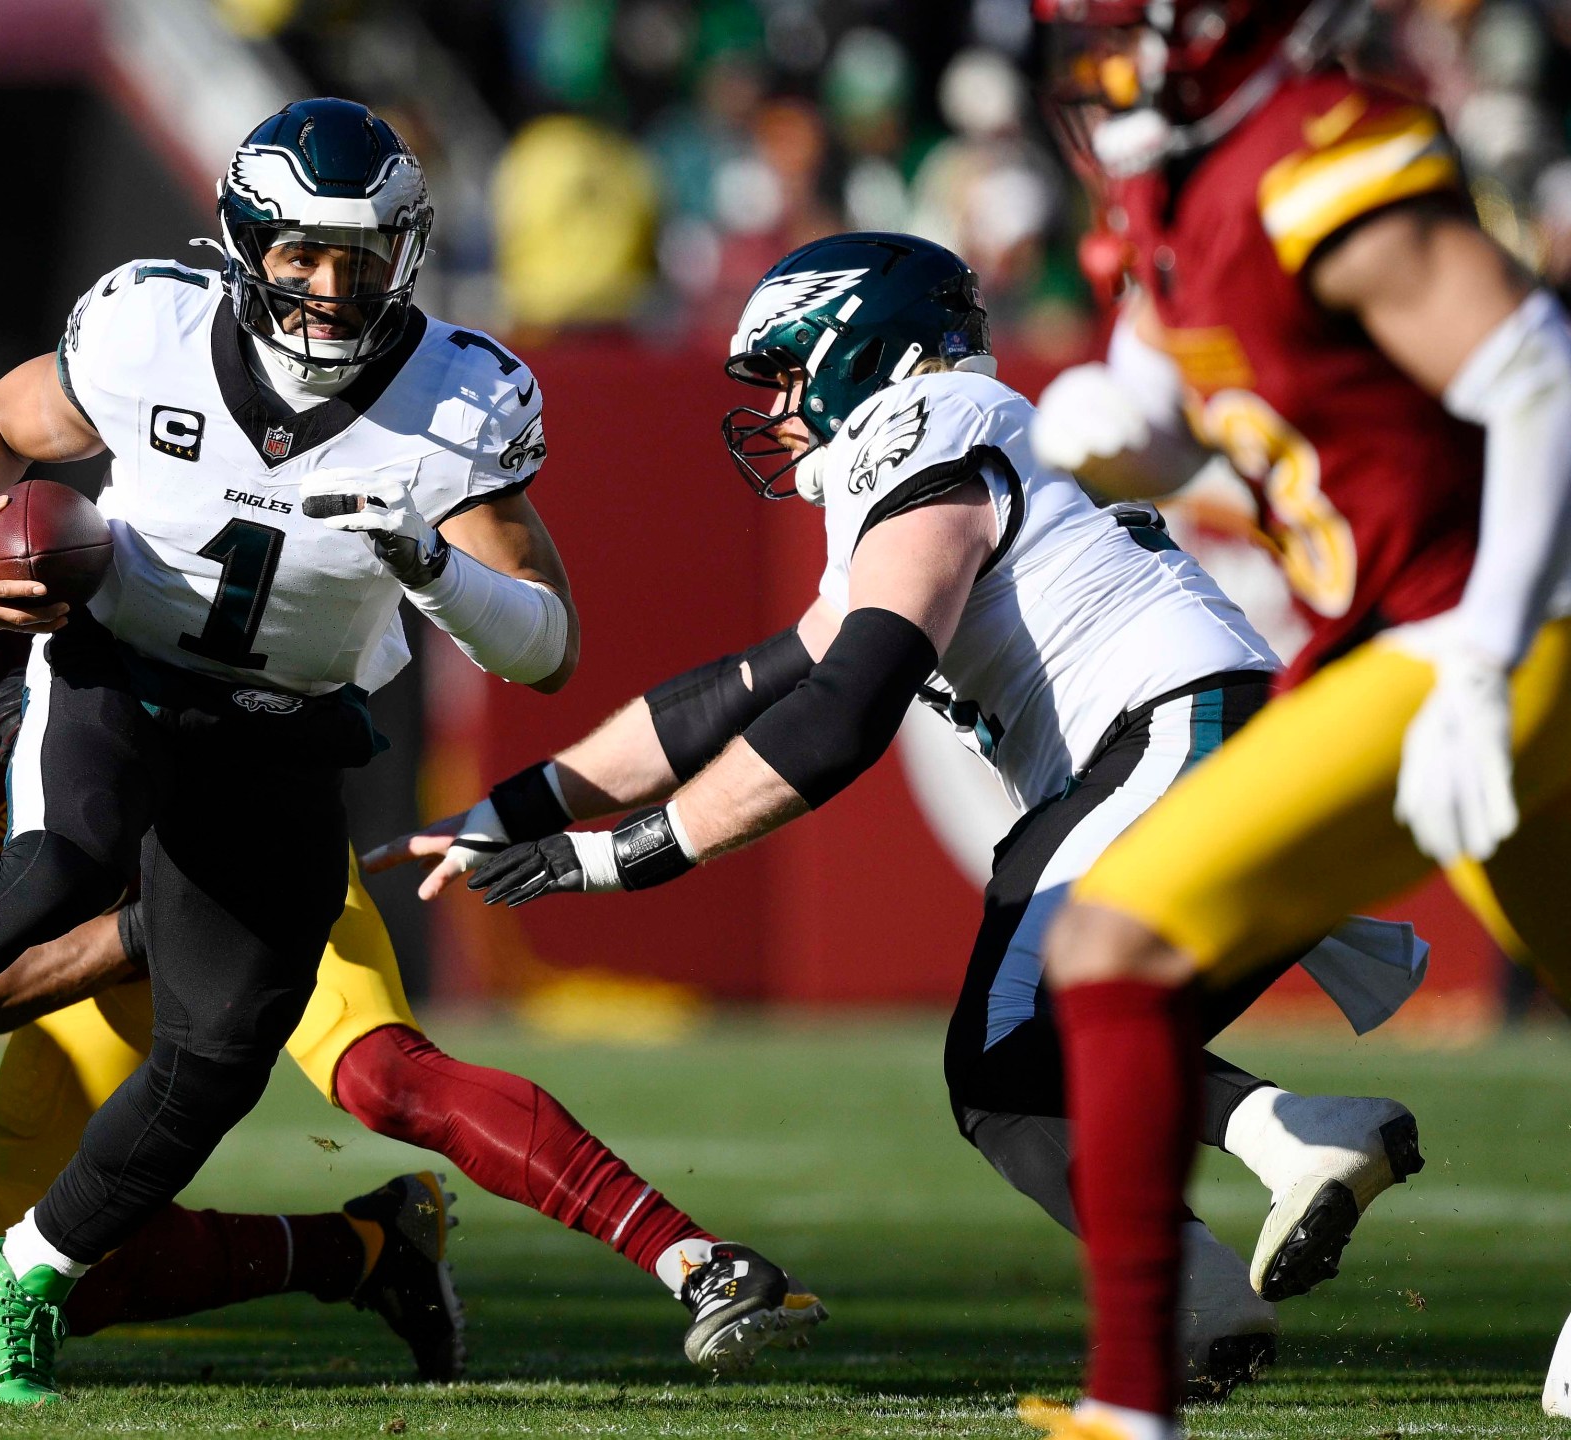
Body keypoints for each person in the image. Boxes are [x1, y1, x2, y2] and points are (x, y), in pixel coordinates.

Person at [373, 231, 1428, 1402]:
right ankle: (1236, 1246)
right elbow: (729, 694)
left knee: (1010, 1041)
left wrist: (618, 858)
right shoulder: (932, 458)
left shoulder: (925, 426)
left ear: (865, 349)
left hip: (1175, 737)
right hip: (1202, 744)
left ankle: (1229, 1237)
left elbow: (843, 715)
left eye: (783, 371)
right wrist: (510, 806)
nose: (772, 409)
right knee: (1011, 1074)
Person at [0, 478, 823, 1382]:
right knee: (69, 1270)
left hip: (240, 833)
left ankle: (692, 1256)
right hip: (89, 937)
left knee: (384, 1079)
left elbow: (30, 415)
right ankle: (369, 1251)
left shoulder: (45, 559)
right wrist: (155, 932)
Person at [1022, 2, 1571, 1435]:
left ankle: (1130, 1405)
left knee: (1110, 940)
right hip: (1415, 624)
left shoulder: (1316, 147)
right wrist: (1121, 430)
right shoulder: (1176, 185)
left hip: (1482, 624)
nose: (1099, 40)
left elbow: (1538, 374)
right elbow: (1187, 394)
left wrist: (1483, 651)